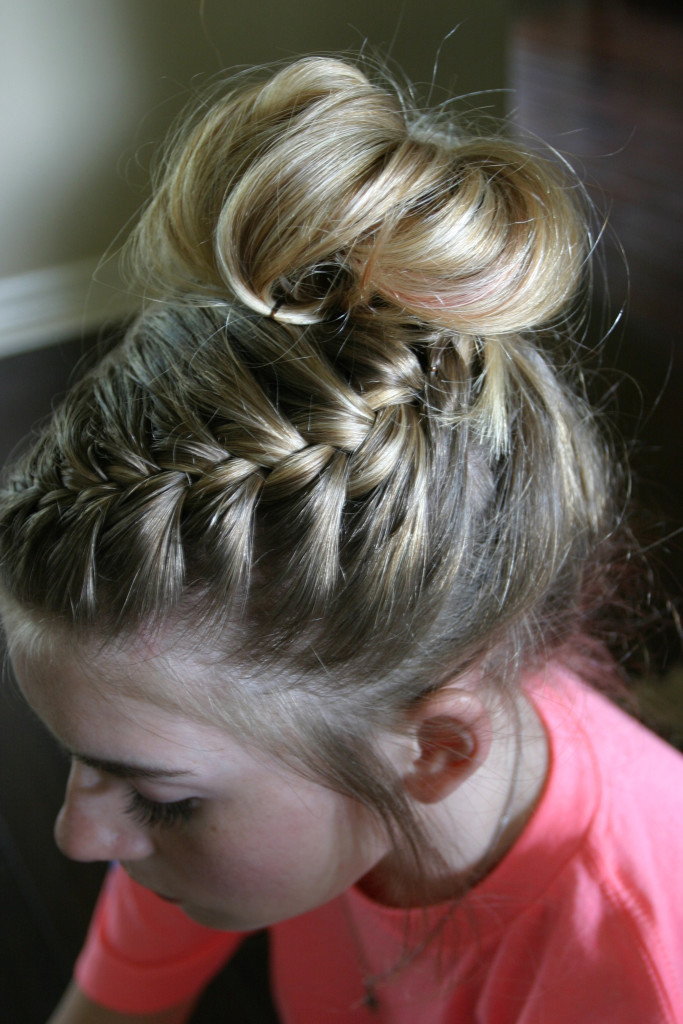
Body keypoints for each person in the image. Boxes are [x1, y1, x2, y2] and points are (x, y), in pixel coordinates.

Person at [1, 56, 682, 1024]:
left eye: (162, 800)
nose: (77, 833)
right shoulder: (220, 765)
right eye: (86, 760)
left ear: (434, 751)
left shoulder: (635, 976)